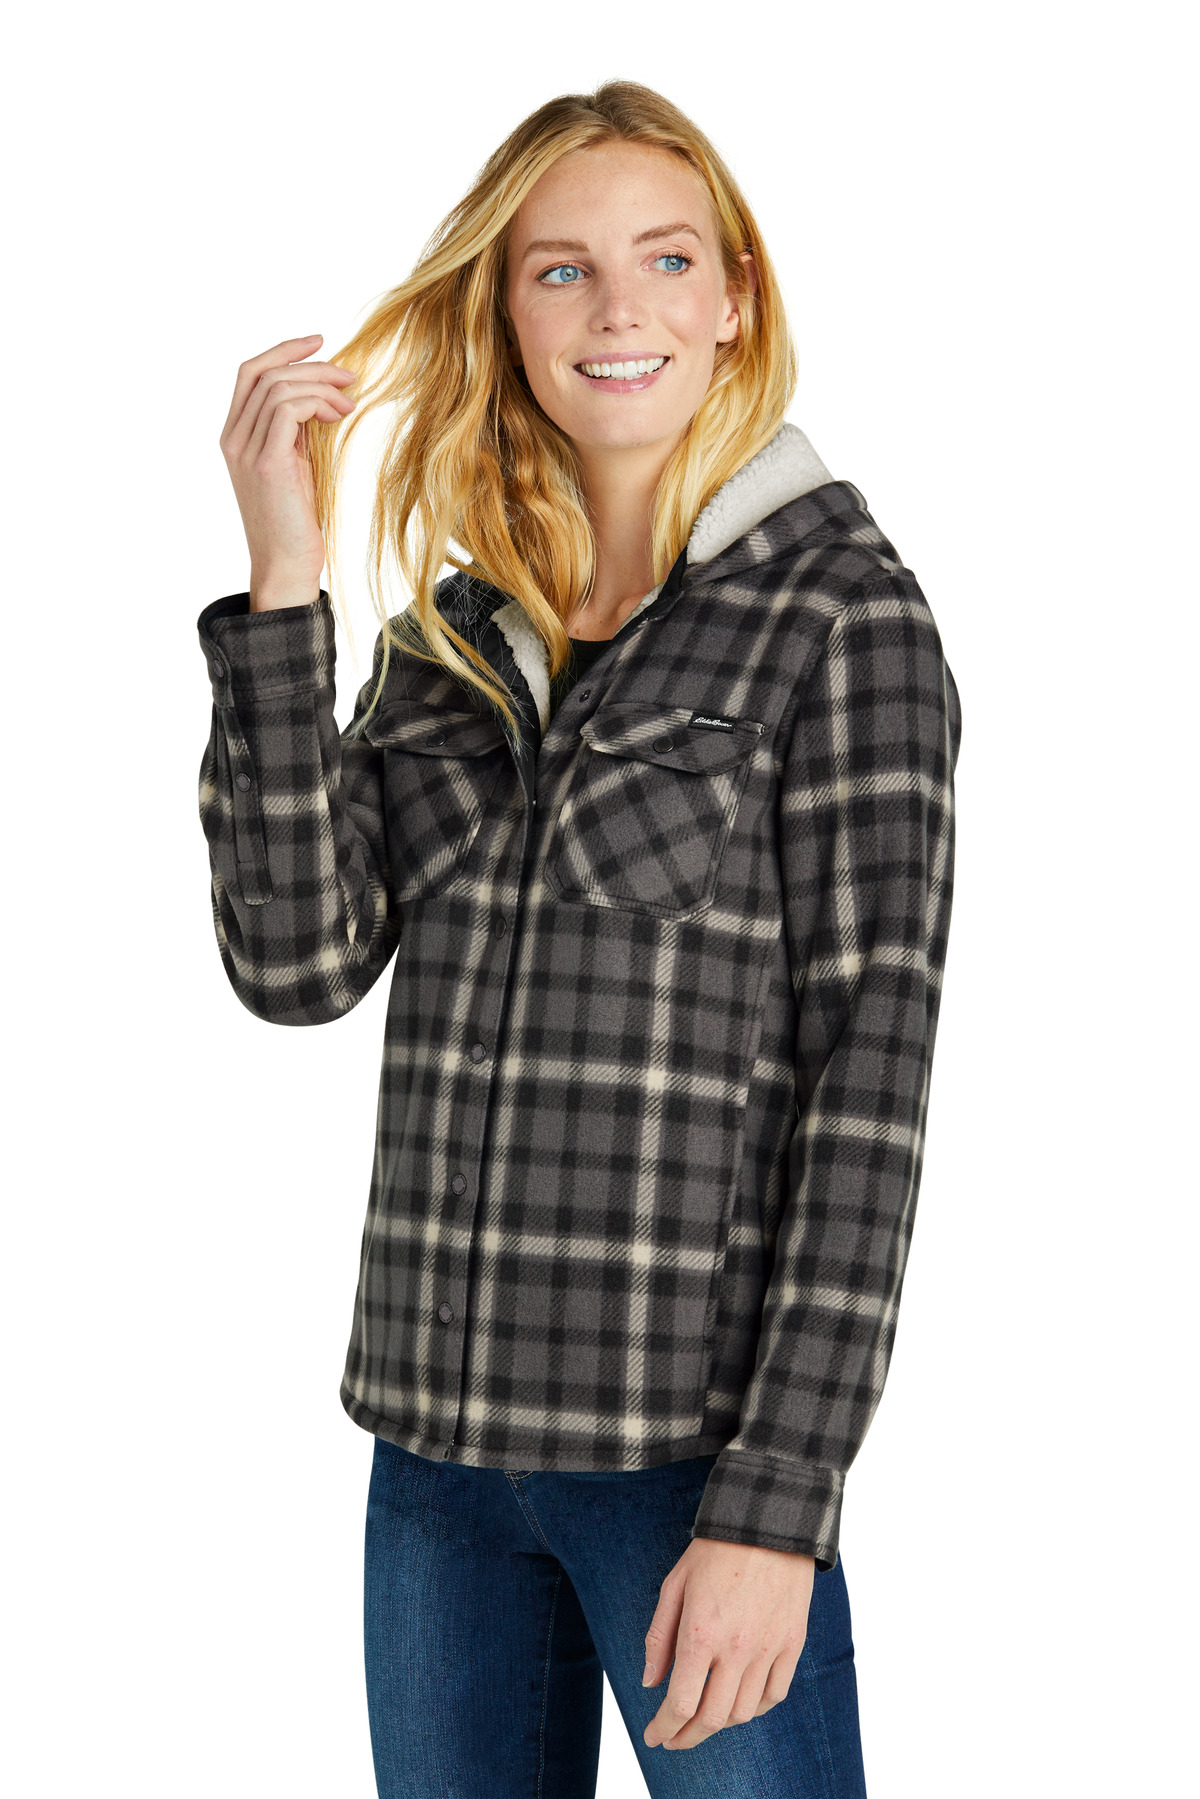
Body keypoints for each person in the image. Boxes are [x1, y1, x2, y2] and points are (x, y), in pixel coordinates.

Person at [198, 79, 961, 1799]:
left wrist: (779, 1510)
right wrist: (283, 589)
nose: (620, 309)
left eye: (667, 259)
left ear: (735, 298)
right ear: (506, 311)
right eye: (563, 270)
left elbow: (869, 1090)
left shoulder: (841, 615)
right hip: (436, 1463)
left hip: (685, 1469)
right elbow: (297, 967)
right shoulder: (456, 633)